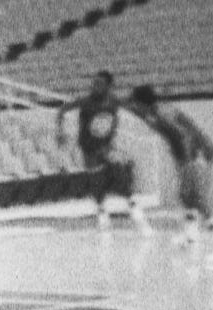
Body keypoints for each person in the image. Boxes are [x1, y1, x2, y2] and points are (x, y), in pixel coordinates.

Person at [126, 84, 213, 262]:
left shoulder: (162, 115)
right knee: (186, 197)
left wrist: (186, 163)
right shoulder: (154, 112)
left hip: (195, 154)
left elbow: (184, 135)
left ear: (142, 103)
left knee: (199, 199)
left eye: (135, 103)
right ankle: (191, 237)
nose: (133, 107)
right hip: (191, 155)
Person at [55, 70, 152, 233]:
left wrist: (146, 116)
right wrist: (60, 130)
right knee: (96, 183)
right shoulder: (86, 102)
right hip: (88, 147)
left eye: (99, 83)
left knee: (120, 176)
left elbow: (131, 108)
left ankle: (136, 211)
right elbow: (62, 110)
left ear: (108, 86)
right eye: (94, 82)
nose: (94, 86)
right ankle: (102, 212)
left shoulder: (114, 101)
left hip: (106, 146)